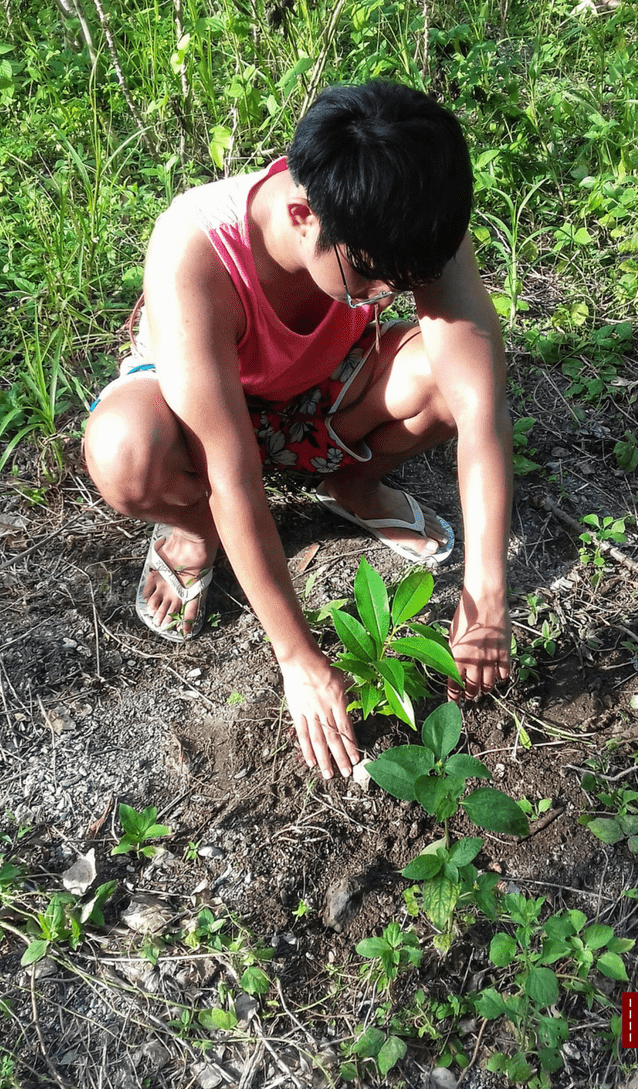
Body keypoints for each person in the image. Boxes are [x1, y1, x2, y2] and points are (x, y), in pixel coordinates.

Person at [83, 81, 513, 782]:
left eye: (406, 282)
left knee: (446, 373)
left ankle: (351, 481)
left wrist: (485, 600)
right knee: (125, 453)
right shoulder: (197, 247)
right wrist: (299, 657)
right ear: (301, 213)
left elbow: (480, 404)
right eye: (371, 279)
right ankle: (194, 527)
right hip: (208, 410)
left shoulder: (408, 210)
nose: (387, 298)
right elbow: (231, 471)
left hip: (321, 384)